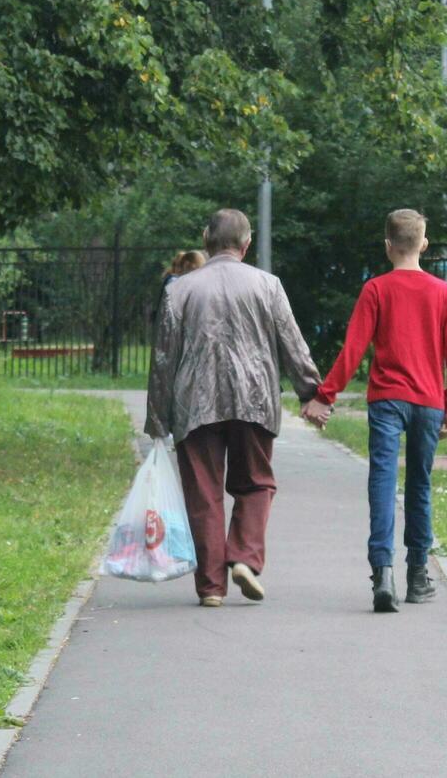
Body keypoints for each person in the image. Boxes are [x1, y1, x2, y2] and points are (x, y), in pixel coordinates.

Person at [146, 209, 322, 607]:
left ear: (206, 239)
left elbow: (163, 359)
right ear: (246, 244)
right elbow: (292, 343)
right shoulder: (268, 285)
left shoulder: (180, 290)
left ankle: (210, 587)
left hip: (195, 404)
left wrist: (158, 419)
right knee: (257, 483)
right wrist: (311, 391)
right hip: (255, 400)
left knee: (203, 494)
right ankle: (243, 557)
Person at [303, 209, 447, 613]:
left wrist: (326, 395)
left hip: (387, 401)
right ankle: (417, 576)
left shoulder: (375, 289)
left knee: (381, 480)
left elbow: (353, 349)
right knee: (420, 485)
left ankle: (383, 573)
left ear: (387, 247)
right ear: (424, 244)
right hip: (428, 402)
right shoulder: (441, 292)